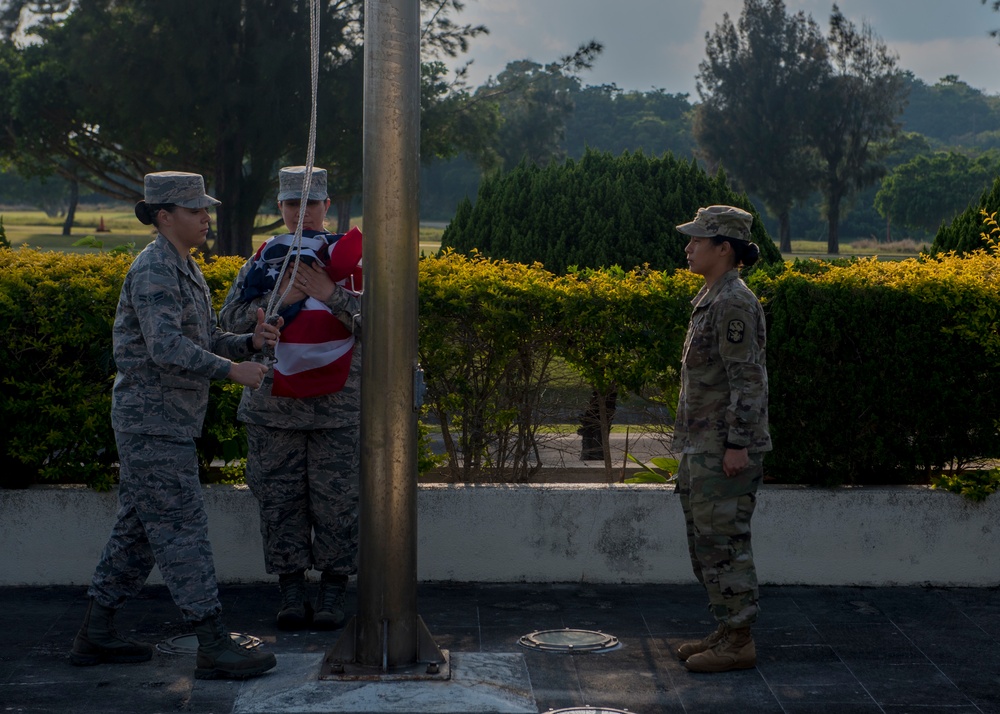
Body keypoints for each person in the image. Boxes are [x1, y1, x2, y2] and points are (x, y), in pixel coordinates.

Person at [70, 171, 281, 681]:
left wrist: (247, 344)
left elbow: (205, 337)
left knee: (139, 531)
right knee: (183, 530)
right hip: (153, 422)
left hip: (168, 422)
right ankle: (211, 643)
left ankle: (94, 633)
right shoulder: (154, 271)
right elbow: (166, 349)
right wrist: (234, 370)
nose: (206, 217)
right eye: (194, 210)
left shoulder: (183, 267)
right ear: (164, 216)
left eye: (205, 208)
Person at [219, 166, 362, 632]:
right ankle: (291, 589)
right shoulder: (262, 261)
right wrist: (279, 299)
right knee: (279, 503)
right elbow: (229, 323)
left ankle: (333, 591)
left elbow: (387, 326)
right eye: (290, 204)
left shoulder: (352, 260)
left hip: (337, 409)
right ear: (279, 208)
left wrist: (330, 294)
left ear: (326, 204)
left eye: (311, 203)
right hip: (273, 407)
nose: (301, 212)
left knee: (338, 504)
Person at [670, 205, 771, 674]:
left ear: (724, 248)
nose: (688, 247)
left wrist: (737, 445)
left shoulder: (733, 302)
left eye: (697, 241)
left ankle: (740, 641)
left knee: (725, 544)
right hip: (701, 447)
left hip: (722, 448)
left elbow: (747, 379)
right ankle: (728, 628)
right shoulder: (711, 296)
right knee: (706, 543)